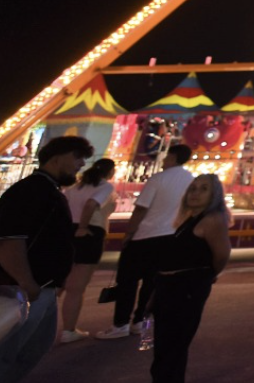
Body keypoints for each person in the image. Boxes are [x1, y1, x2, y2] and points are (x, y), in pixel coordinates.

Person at [0, 134, 93, 383]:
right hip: (20, 291)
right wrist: (27, 282)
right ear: (56, 159)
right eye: (77, 157)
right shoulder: (33, 190)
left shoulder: (48, 191)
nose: (81, 164)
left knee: (31, 349)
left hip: (39, 288)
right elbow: (9, 240)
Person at [100, 142, 194, 339]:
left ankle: (121, 323)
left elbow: (141, 208)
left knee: (128, 282)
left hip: (145, 235)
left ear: (173, 158)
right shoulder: (191, 181)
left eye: (167, 156)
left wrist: (129, 233)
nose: (164, 160)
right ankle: (140, 319)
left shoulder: (158, 179)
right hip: (170, 236)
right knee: (152, 282)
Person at [149, 172, 231, 383]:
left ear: (214, 195)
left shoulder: (212, 220)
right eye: (193, 189)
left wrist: (208, 275)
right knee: (164, 345)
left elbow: (221, 255)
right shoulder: (189, 219)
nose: (195, 193)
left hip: (186, 288)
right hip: (169, 286)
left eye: (204, 189)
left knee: (173, 345)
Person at [59, 157, 117, 343]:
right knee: (76, 288)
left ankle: (37, 323)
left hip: (68, 231)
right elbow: (91, 204)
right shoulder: (105, 186)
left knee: (59, 283)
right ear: (110, 172)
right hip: (89, 233)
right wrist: (83, 226)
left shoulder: (76, 187)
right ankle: (68, 330)